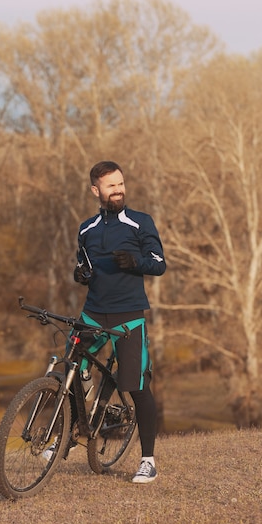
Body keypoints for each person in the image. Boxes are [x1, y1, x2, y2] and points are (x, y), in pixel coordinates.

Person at [74, 160, 166, 484]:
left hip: (128, 316)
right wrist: (80, 275)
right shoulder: (86, 228)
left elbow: (159, 263)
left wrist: (135, 262)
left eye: (121, 184)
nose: (118, 190)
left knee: (138, 386)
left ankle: (148, 460)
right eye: (111, 186)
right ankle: (74, 430)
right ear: (95, 190)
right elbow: (82, 266)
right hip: (93, 313)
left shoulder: (140, 223)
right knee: (71, 367)